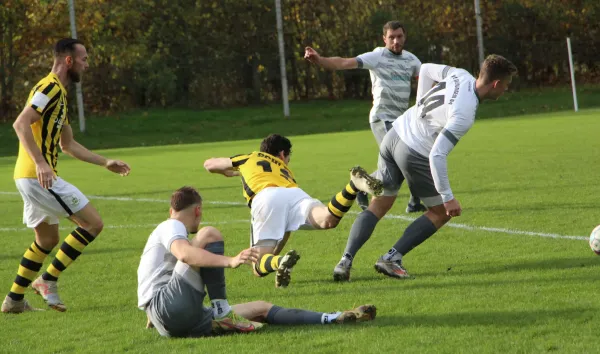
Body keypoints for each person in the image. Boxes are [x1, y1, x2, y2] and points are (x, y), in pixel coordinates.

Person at [332, 55, 518, 281]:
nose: (505, 91)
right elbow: (437, 155)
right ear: (496, 84)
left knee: (379, 204)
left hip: (395, 134)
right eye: (506, 86)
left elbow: (427, 68)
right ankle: (391, 258)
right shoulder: (465, 112)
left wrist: (420, 104)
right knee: (440, 212)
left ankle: (345, 261)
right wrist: (448, 198)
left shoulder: (459, 74)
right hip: (413, 151)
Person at [138, 186, 377, 338]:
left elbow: (156, 278)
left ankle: (333, 317)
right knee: (209, 234)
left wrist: (153, 317)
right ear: (197, 210)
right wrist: (230, 260)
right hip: (169, 308)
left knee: (261, 308)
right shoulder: (171, 225)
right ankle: (222, 311)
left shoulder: (158, 241)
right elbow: (184, 254)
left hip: (174, 322)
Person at [1, 38, 131, 313]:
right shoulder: (48, 87)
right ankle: (47, 280)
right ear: (69, 61)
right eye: (83, 59)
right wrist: (40, 162)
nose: (87, 64)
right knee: (92, 224)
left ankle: (13, 301)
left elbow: (68, 144)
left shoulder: (59, 93)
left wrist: (105, 162)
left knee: (46, 240)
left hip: (31, 177)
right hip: (37, 177)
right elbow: (20, 123)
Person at [203, 134, 383, 288]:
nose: (288, 159)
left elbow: (209, 164)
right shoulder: (283, 168)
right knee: (327, 218)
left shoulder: (248, 157)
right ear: (282, 154)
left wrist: (228, 171)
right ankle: (352, 187)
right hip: (294, 193)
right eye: (289, 156)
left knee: (258, 266)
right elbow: (285, 229)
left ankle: (279, 262)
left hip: (266, 197)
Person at [304, 20, 426, 214]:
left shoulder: (412, 60)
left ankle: (363, 186)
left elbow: (426, 83)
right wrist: (320, 60)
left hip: (402, 121)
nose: (396, 41)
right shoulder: (377, 56)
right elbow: (343, 63)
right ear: (384, 38)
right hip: (382, 118)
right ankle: (413, 201)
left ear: (405, 37)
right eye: (391, 37)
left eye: (399, 37)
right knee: (406, 158)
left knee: (400, 165)